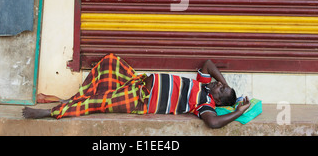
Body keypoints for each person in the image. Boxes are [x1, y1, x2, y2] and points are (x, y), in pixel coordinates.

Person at [22, 53, 251, 129]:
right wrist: (229, 88)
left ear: (217, 99)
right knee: (109, 63)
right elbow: (209, 64)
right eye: (219, 83)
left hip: (140, 99)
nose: (216, 82)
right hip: (137, 81)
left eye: (219, 87)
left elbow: (213, 123)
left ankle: (50, 112)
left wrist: (238, 109)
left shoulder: (205, 105)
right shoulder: (204, 84)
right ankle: (68, 101)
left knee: (97, 103)